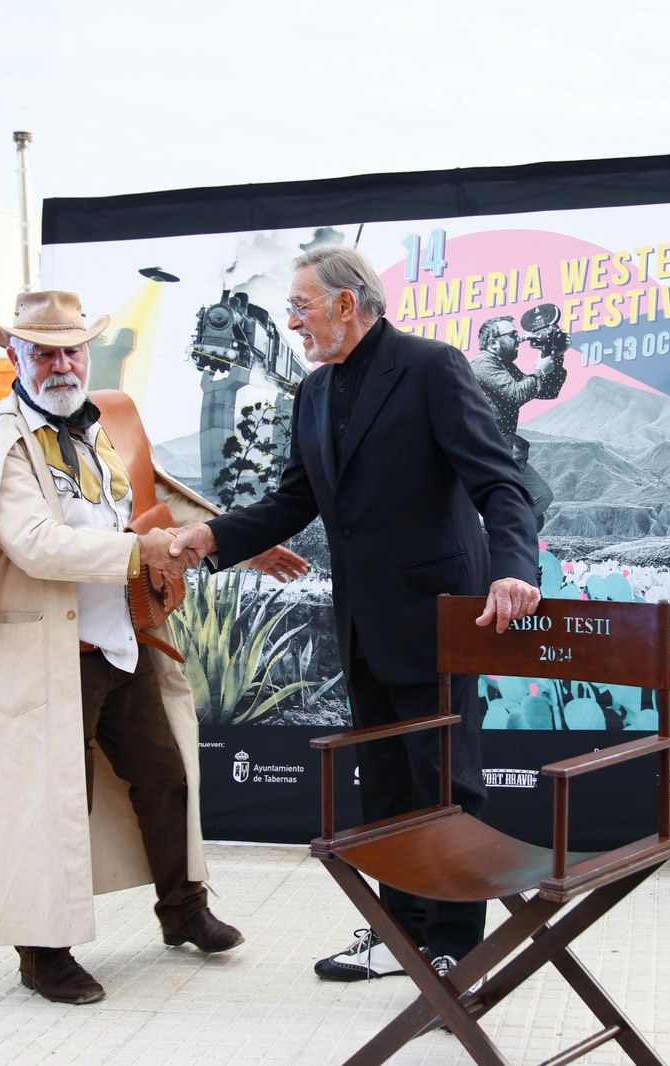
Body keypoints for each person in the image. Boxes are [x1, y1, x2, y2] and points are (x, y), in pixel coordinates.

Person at [0, 290, 305, 1005]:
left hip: (122, 642)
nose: (61, 365)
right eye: (44, 352)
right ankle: (42, 954)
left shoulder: (104, 420)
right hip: (41, 657)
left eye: (72, 350)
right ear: (15, 357)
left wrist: (238, 543)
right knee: (50, 803)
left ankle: (183, 910)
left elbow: (157, 499)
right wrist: (145, 550)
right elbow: (36, 545)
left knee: (165, 778)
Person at [168, 246, 542, 984]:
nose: (291, 322)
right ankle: (398, 936)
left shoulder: (432, 368)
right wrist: (213, 537)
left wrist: (513, 572)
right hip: (364, 626)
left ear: (347, 304)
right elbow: (293, 500)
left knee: (445, 786)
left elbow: (500, 485)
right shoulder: (313, 392)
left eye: (300, 307)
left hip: (438, 620)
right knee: (387, 786)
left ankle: (456, 948)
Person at [469, 314, 567, 529]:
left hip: (504, 448)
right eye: (512, 335)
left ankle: (494, 531)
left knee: (540, 499)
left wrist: (555, 356)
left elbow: (548, 391)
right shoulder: (482, 363)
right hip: (486, 448)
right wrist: (539, 369)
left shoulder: (505, 366)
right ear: (493, 342)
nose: (519, 338)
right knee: (530, 504)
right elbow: (516, 394)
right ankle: (482, 529)